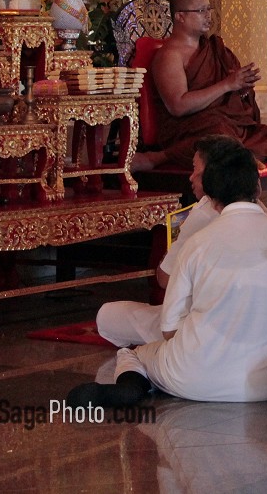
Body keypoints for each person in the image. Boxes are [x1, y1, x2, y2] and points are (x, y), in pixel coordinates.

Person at [67, 141, 267, 407]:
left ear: (210, 196)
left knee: (133, 354)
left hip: (191, 379)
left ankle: (131, 385)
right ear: (258, 187)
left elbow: (169, 330)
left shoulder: (196, 242)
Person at [133, 0, 267, 170]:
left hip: (228, 124)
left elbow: (233, 100)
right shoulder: (170, 55)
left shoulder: (215, 49)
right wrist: (226, 85)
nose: (208, 15)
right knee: (218, 136)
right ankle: (160, 158)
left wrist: (241, 90)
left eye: (208, 9)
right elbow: (178, 106)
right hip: (189, 128)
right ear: (180, 16)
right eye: (201, 10)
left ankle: (238, 155)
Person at [95, 134, 246, 347]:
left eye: (195, 170)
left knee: (108, 315)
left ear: (212, 175)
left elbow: (164, 279)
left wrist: (172, 246)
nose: (191, 177)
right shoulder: (261, 210)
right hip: (254, 321)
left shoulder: (202, 213)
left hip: (205, 326)